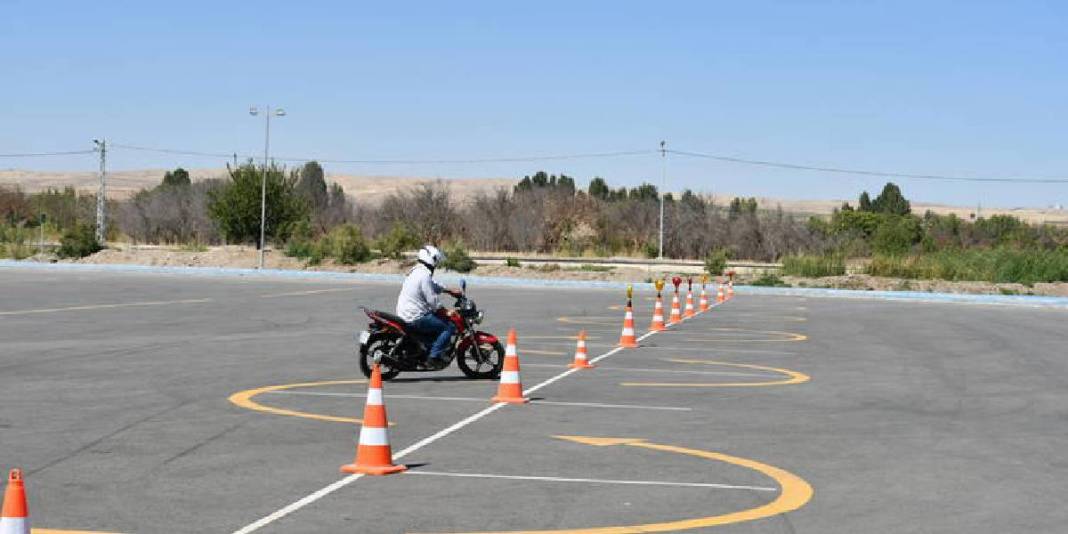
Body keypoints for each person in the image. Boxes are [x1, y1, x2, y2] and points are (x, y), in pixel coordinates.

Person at [396, 245, 463, 368]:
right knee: (449, 327)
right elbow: (433, 301)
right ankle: (433, 357)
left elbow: (433, 285)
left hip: (405, 313)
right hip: (416, 317)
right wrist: (446, 312)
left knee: (437, 320)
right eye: (436, 261)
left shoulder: (416, 271)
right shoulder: (424, 275)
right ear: (431, 259)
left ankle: (428, 347)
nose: (436, 264)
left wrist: (448, 290)